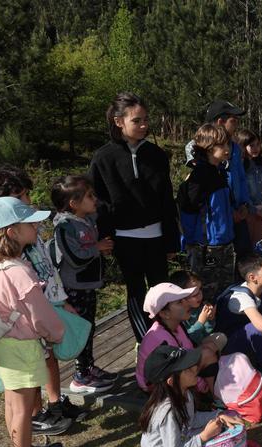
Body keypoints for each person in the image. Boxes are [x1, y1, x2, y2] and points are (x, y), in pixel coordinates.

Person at [0, 166, 80, 433]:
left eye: (27, 193)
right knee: (31, 368)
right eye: (21, 195)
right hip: (25, 316)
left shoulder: (28, 227)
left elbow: (47, 267)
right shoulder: (4, 244)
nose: (28, 200)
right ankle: (35, 413)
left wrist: (60, 299)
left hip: (44, 302)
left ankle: (53, 403)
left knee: (48, 357)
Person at [0, 197, 66, 447]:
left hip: (1, 346)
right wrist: (57, 332)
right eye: (30, 222)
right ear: (11, 231)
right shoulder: (19, 271)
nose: (37, 224)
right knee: (24, 409)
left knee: (13, 405)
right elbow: (41, 318)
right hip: (22, 346)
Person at [90, 92, 180, 343]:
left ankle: (169, 339)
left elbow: (166, 199)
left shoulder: (157, 155)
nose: (144, 125)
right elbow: (99, 202)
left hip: (157, 236)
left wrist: (172, 239)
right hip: (124, 239)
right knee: (136, 291)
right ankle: (147, 342)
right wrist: (104, 236)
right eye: (137, 121)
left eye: (145, 120)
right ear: (119, 122)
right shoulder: (103, 158)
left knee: (161, 289)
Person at [127, 345, 245, 447]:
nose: (195, 368)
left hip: (183, 438)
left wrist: (218, 415)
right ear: (171, 381)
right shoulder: (167, 411)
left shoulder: (185, 393)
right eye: (188, 369)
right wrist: (204, 436)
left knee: (228, 417)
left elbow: (192, 420)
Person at [51, 175, 117, 394]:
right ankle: (80, 376)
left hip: (88, 286)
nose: (94, 200)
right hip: (74, 288)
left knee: (89, 328)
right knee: (81, 330)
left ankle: (88, 367)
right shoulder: (65, 227)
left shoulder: (85, 219)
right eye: (89, 196)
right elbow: (75, 258)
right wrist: (96, 248)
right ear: (74, 204)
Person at [178, 124, 236, 302]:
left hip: (225, 242)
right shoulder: (198, 177)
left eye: (228, 144)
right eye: (222, 145)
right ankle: (202, 328)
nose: (227, 149)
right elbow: (187, 211)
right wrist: (191, 242)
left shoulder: (220, 173)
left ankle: (224, 328)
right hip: (206, 247)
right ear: (209, 148)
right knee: (205, 295)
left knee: (225, 291)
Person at [135, 283, 227, 395]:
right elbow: (182, 369)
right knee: (207, 354)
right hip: (156, 387)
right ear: (165, 314)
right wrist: (203, 387)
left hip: (175, 372)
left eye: (184, 299)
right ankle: (215, 395)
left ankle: (214, 387)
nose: (186, 303)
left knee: (213, 344)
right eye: (179, 302)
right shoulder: (161, 339)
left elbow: (188, 350)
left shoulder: (176, 325)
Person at [185, 100, 251, 256]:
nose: (237, 126)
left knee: (243, 258)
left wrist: (244, 205)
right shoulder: (198, 146)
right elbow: (203, 190)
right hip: (215, 223)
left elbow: (241, 177)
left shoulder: (234, 147)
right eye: (233, 121)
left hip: (237, 215)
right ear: (220, 121)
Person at [237, 129, 262, 246]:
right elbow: (242, 191)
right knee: (247, 246)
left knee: (257, 246)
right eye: (251, 145)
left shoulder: (260, 164)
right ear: (243, 146)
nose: (256, 148)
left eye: (258, 144)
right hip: (247, 213)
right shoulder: (241, 166)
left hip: (261, 212)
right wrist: (253, 209)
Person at [168, 270, 216, 347]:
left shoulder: (199, 307)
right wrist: (200, 322)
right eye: (194, 294)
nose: (200, 294)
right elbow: (188, 340)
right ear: (180, 297)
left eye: (200, 289)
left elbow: (207, 333)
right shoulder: (178, 315)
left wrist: (210, 318)